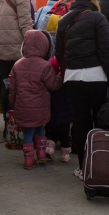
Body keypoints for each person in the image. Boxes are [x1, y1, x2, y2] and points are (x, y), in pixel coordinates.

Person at [54, 0, 109, 179]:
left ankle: (84, 168)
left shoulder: (64, 20)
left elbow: (59, 54)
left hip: (73, 77)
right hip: (97, 76)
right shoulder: (98, 18)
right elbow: (106, 51)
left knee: (80, 122)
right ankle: (100, 165)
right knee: (99, 120)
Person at [9, 30, 63, 169]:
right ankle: (41, 154)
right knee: (40, 128)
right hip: (41, 106)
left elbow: (13, 89)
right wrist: (61, 75)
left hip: (23, 105)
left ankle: (28, 160)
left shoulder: (17, 65)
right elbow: (53, 85)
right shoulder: (45, 65)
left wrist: (13, 104)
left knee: (28, 131)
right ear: (45, 46)